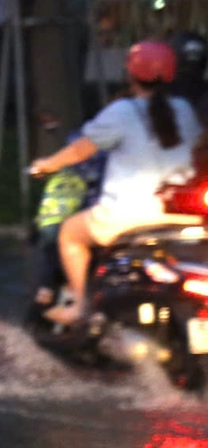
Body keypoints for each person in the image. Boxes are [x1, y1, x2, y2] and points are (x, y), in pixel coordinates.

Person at [29, 40, 203, 325]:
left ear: (130, 74)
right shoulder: (183, 109)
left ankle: (81, 307)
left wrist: (46, 164)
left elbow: (79, 150)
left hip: (127, 215)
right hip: (181, 214)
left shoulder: (121, 111)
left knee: (70, 234)